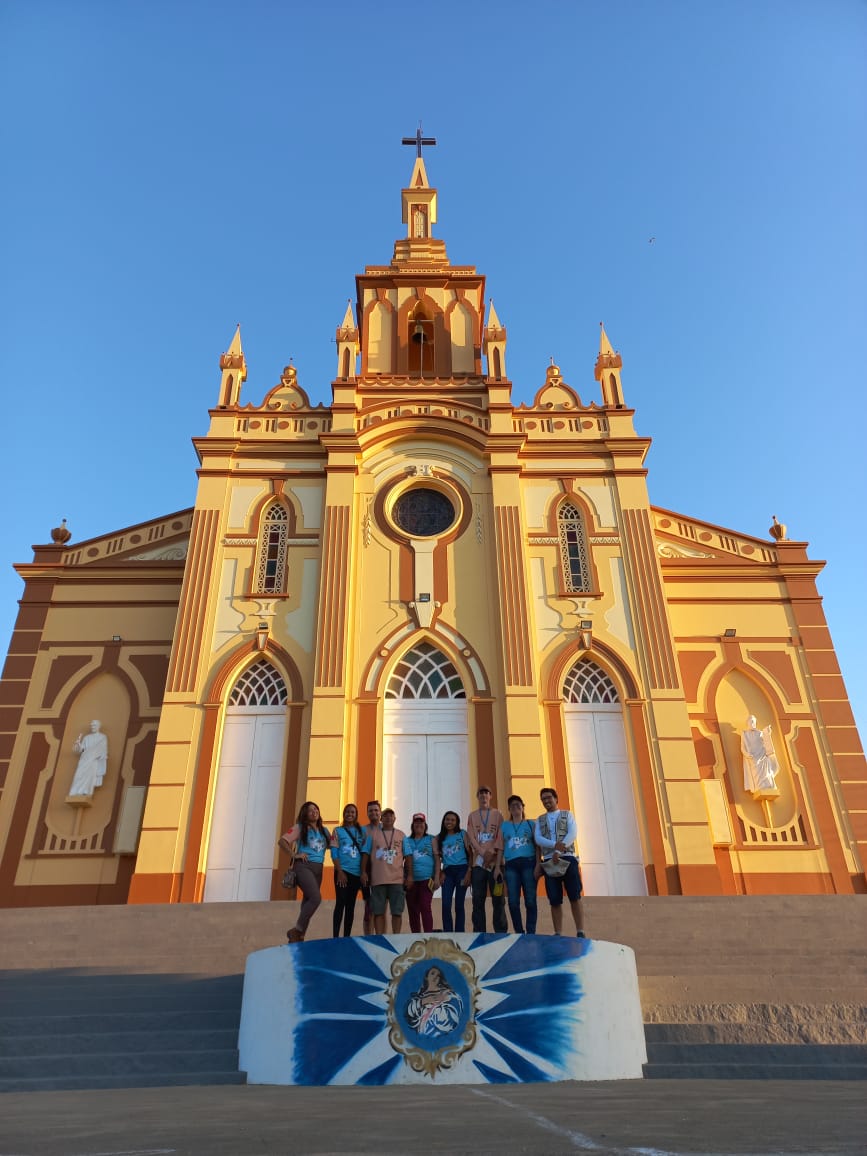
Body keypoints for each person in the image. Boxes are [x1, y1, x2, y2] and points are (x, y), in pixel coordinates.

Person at [534, 787, 585, 938]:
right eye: (543, 799)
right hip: (550, 861)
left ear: (556, 798)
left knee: (574, 895)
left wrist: (558, 851)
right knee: (554, 899)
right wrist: (554, 847)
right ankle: (558, 932)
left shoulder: (567, 814)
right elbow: (538, 838)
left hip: (568, 857)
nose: (546, 801)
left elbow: (572, 834)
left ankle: (580, 930)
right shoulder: (539, 819)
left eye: (549, 797)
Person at [279, 801, 330, 943]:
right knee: (316, 898)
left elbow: (334, 846)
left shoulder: (324, 831)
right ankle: (297, 931)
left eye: (316, 808)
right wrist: (294, 855)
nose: (314, 811)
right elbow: (282, 841)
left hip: (318, 868)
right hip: (304, 866)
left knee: (308, 900)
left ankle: (300, 937)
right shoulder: (300, 827)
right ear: (305, 814)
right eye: (310, 810)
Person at [466, 786, 507, 933]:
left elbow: (501, 836)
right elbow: (471, 838)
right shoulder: (472, 816)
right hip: (478, 865)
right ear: (477, 797)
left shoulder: (498, 814)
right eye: (481, 793)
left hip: (496, 864)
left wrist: (491, 853)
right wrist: (483, 852)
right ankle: (479, 932)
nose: (483, 796)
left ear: (490, 796)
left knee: (498, 899)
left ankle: (500, 932)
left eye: (486, 793)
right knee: (477, 900)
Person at [362, 808, 409, 934]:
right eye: (385, 816)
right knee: (378, 912)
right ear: (381, 819)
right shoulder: (372, 835)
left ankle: (396, 936)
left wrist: (410, 876)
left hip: (397, 880)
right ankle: (380, 937)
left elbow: (408, 856)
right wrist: (363, 872)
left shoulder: (401, 835)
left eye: (391, 816)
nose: (388, 818)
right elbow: (365, 854)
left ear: (395, 819)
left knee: (397, 911)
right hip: (378, 880)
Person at [501, 795, 538, 934]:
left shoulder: (531, 824)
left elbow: (537, 845)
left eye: (518, 805)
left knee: (530, 900)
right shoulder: (504, 825)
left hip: (529, 863)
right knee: (513, 902)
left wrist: (538, 865)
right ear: (509, 809)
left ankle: (531, 931)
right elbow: (500, 846)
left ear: (523, 807)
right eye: (512, 806)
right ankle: (519, 931)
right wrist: (499, 866)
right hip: (511, 865)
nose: (515, 807)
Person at [330, 803, 365, 937]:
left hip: (356, 874)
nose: (350, 814)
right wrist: (339, 872)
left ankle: (347, 937)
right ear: (344, 814)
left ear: (356, 815)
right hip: (342, 872)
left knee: (351, 906)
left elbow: (365, 851)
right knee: (340, 903)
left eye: (353, 812)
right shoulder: (337, 831)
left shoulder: (361, 832)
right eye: (347, 812)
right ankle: (335, 936)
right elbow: (334, 852)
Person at [403, 813, 439, 933]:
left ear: (425, 825)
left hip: (427, 880)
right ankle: (416, 936)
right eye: (416, 822)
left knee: (425, 906)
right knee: (412, 910)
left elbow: (437, 859)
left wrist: (437, 877)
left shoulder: (432, 839)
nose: (419, 825)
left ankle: (428, 935)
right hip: (411, 881)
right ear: (412, 825)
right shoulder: (406, 840)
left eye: (421, 822)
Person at [405, 966, 463, 1037]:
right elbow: (410, 1015)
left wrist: (437, 1005)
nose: (435, 977)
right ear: (427, 977)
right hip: (421, 1038)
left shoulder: (447, 994)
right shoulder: (418, 997)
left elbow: (451, 1021)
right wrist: (425, 1000)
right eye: (432, 973)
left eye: (438, 976)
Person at [437, 811, 471, 933]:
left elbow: (471, 854)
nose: (449, 822)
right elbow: (437, 859)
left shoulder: (462, 834)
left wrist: (469, 872)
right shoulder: (439, 838)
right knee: (446, 904)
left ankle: (459, 933)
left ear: (457, 822)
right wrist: (440, 873)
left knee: (459, 904)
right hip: (448, 872)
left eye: (452, 820)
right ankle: (448, 933)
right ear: (443, 821)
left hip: (462, 870)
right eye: (447, 819)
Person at [68, 720, 108, 798]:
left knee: (90, 776)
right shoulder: (87, 737)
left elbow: (103, 750)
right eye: (92, 726)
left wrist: (95, 754)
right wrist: (78, 745)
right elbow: (82, 749)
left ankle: (86, 791)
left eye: (94, 725)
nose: (92, 727)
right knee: (79, 775)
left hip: (93, 761)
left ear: (98, 726)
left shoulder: (103, 737)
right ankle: (75, 791)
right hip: (84, 760)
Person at [741, 715, 780, 794]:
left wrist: (768, 733)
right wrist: (746, 754)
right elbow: (742, 747)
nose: (752, 723)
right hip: (753, 758)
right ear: (747, 723)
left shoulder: (760, 733)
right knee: (757, 773)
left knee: (766, 772)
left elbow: (766, 741)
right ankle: (759, 787)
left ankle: (768, 786)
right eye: (751, 721)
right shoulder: (745, 734)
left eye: (754, 721)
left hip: (762, 756)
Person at [361, 800, 382, 935]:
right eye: (371, 811)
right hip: (367, 871)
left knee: (380, 907)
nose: (373, 813)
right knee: (368, 907)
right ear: (367, 813)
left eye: (376, 810)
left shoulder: (387, 829)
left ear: (380, 812)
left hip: (382, 872)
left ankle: (379, 935)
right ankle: (367, 935)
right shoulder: (362, 830)